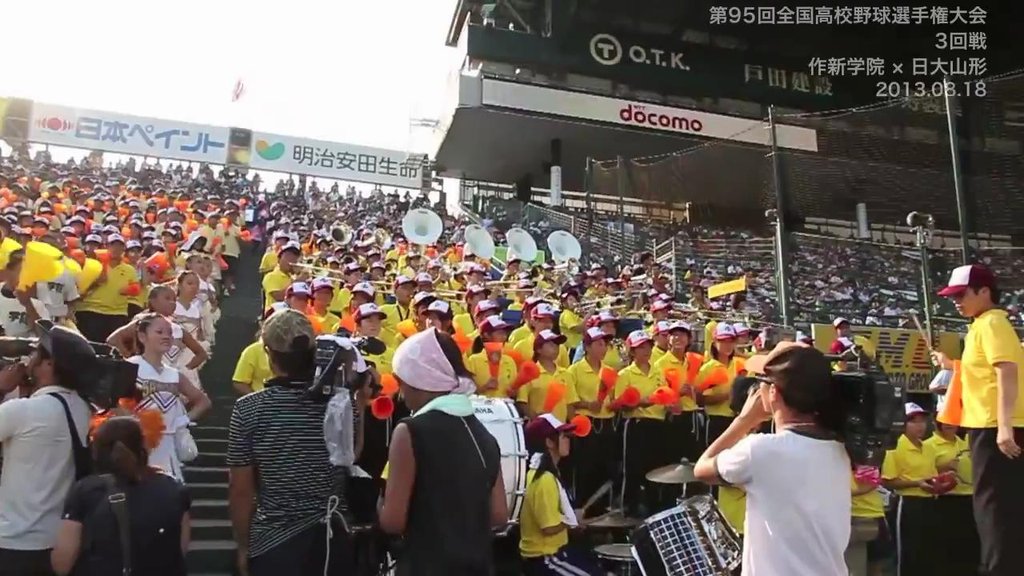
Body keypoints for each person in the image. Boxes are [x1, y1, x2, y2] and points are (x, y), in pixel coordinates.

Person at [694, 341, 851, 576]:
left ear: (774, 393)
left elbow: (702, 469)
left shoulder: (761, 450)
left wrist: (744, 420)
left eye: (762, 383)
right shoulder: (839, 448)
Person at [227, 309, 359, 576]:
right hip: (331, 539)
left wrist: (243, 546)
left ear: (268, 352)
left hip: (274, 542)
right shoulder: (341, 405)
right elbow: (352, 455)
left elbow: (240, 490)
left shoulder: (249, 409)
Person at [378, 328, 508, 575]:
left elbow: (393, 521)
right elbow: (499, 515)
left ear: (421, 379)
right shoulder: (485, 436)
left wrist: (379, 504)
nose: (402, 395)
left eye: (404, 384)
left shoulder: (409, 431)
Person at [933, 264, 1024, 575]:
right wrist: (951, 365)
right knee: (995, 508)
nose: (955, 301)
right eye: (952, 296)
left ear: (984, 292)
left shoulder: (992, 323)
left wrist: (1004, 427)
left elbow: (1006, 371)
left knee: (995, 510)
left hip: (995, 426)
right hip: (989, 424)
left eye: (961, 294)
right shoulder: (982, 324)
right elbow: (984, 372)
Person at [0, 323, 98, 575]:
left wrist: (2, 388)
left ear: (50, 364)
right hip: (62, 541)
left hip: (15, 542)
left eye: (36, 353)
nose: (30, 358)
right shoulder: (83, 409)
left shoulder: (23, 411)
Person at [50, 417, 191, 576]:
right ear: (142, 448)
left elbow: (62, 563)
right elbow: (179, 550)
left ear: (97, 451)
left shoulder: (85, 491)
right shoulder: (174, 490)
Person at [519, 414, 600, 576]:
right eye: (564, 436)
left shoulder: (542, 473)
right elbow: (549, 528)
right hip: (545, 558)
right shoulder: (545, 479)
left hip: (554, 553)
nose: (568, 440)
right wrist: (571, 520)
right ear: (549, 442)